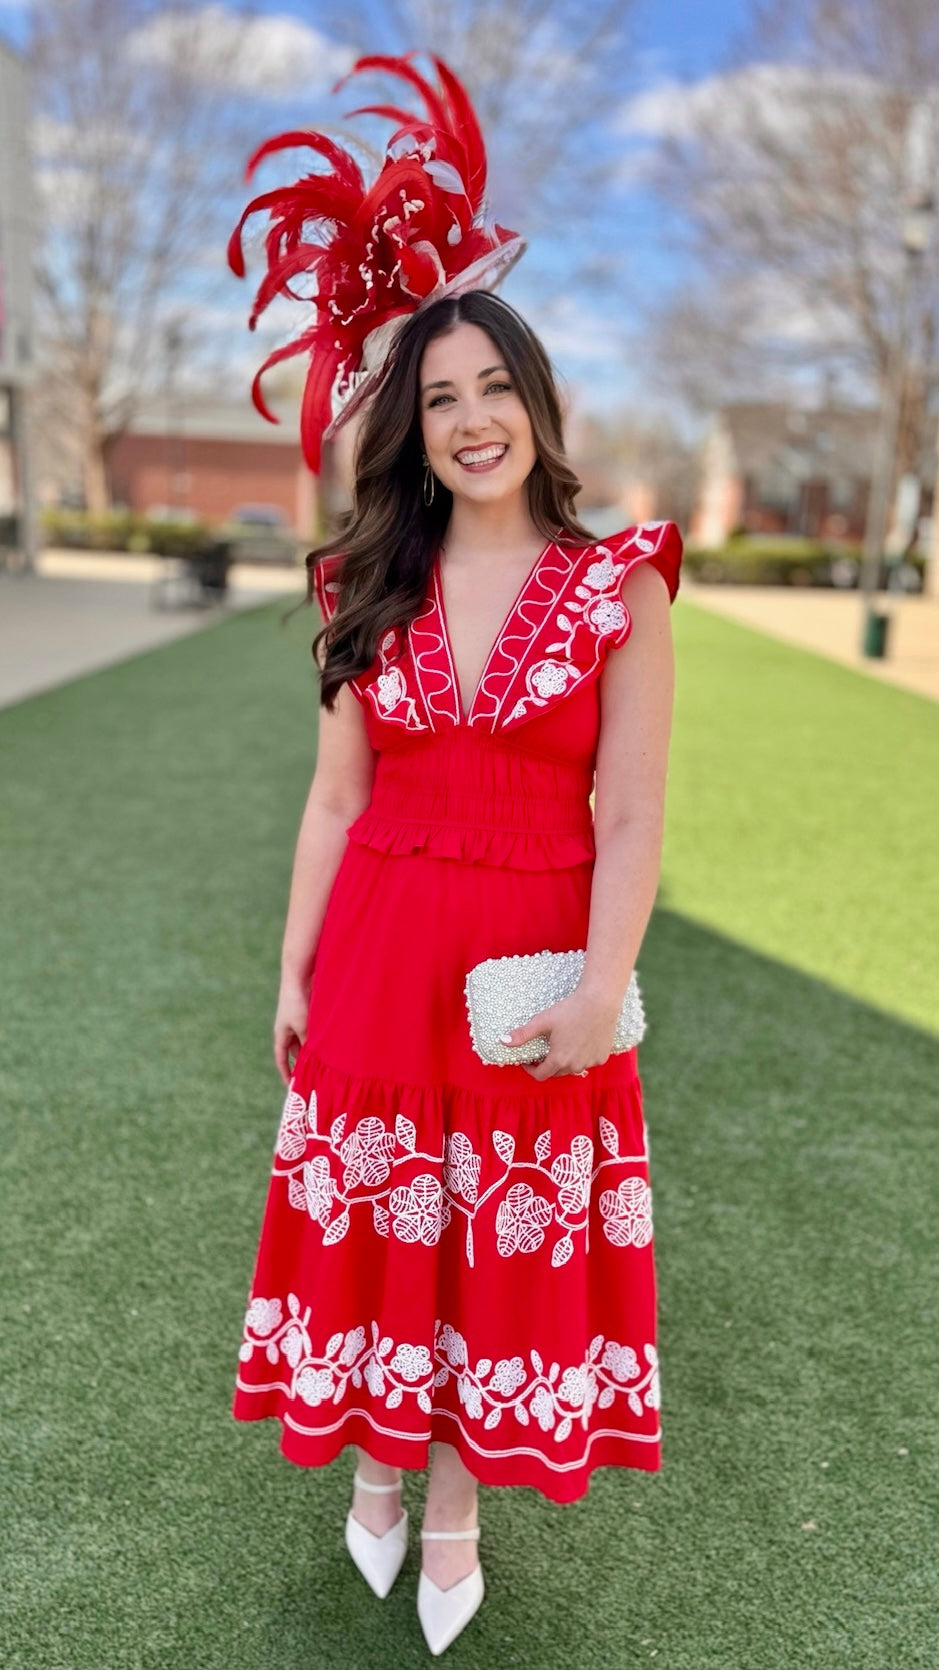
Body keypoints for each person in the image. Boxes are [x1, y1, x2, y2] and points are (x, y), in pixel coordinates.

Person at [229, 53, 682, 1660]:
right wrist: (291, 963)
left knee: (493, 1244)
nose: (474, 419)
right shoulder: (373, 578)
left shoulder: (621, 581)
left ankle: (452, 1505)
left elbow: (631, 811)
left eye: (497, 388)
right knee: (379, 1225)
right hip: (378, 945)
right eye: (441, 397)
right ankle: (370, 1471)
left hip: (534, 968)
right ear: (410, 429)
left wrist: (608, 981)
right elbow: (335, 798)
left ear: (540, 406)